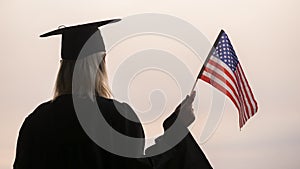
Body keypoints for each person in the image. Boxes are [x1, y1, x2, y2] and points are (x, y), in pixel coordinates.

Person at [13, 19, 212, 169]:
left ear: (64, 68)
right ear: (100, 65)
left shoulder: (36, 123)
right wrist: (176, 129)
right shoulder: (116, 117)